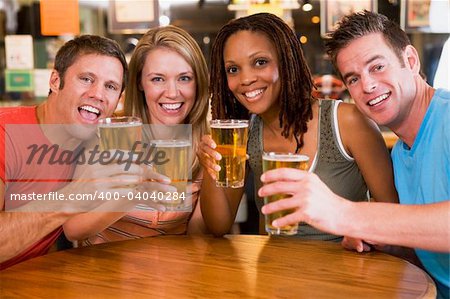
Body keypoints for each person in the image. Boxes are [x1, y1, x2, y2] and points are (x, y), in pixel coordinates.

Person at [259, 11, 449, 298]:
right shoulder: (400, 152)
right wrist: (380, 240)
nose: (368, 86)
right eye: (353, 79)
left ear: (410, 61)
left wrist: (349, 215)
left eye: (377, 67)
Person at [198, 13, 397, 241]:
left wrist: (363, 233)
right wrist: (210, 166)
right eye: (233, 69)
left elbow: (393, 213)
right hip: (276, 271)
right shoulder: (247, 133)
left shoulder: (347, 122)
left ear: (286, 61)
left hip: (345, 272)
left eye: (260, 62)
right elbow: (218, 225)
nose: (245, 79)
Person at [63, 25, 209, 244]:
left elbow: (197, 235)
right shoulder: (111, 133)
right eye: (157, 79)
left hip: (170, 271)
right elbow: (72, 229)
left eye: (184, 78)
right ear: (140, 82)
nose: (171, 92)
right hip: (102, 271)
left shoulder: (204, 145)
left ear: (198, 83)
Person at [0, 35, 130, 269]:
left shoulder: (99, 144)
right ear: (54, 80)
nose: (98, 94)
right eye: (86, 79)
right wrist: (71, 197)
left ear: (118, 100)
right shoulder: (5, 133)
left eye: (110, 86)